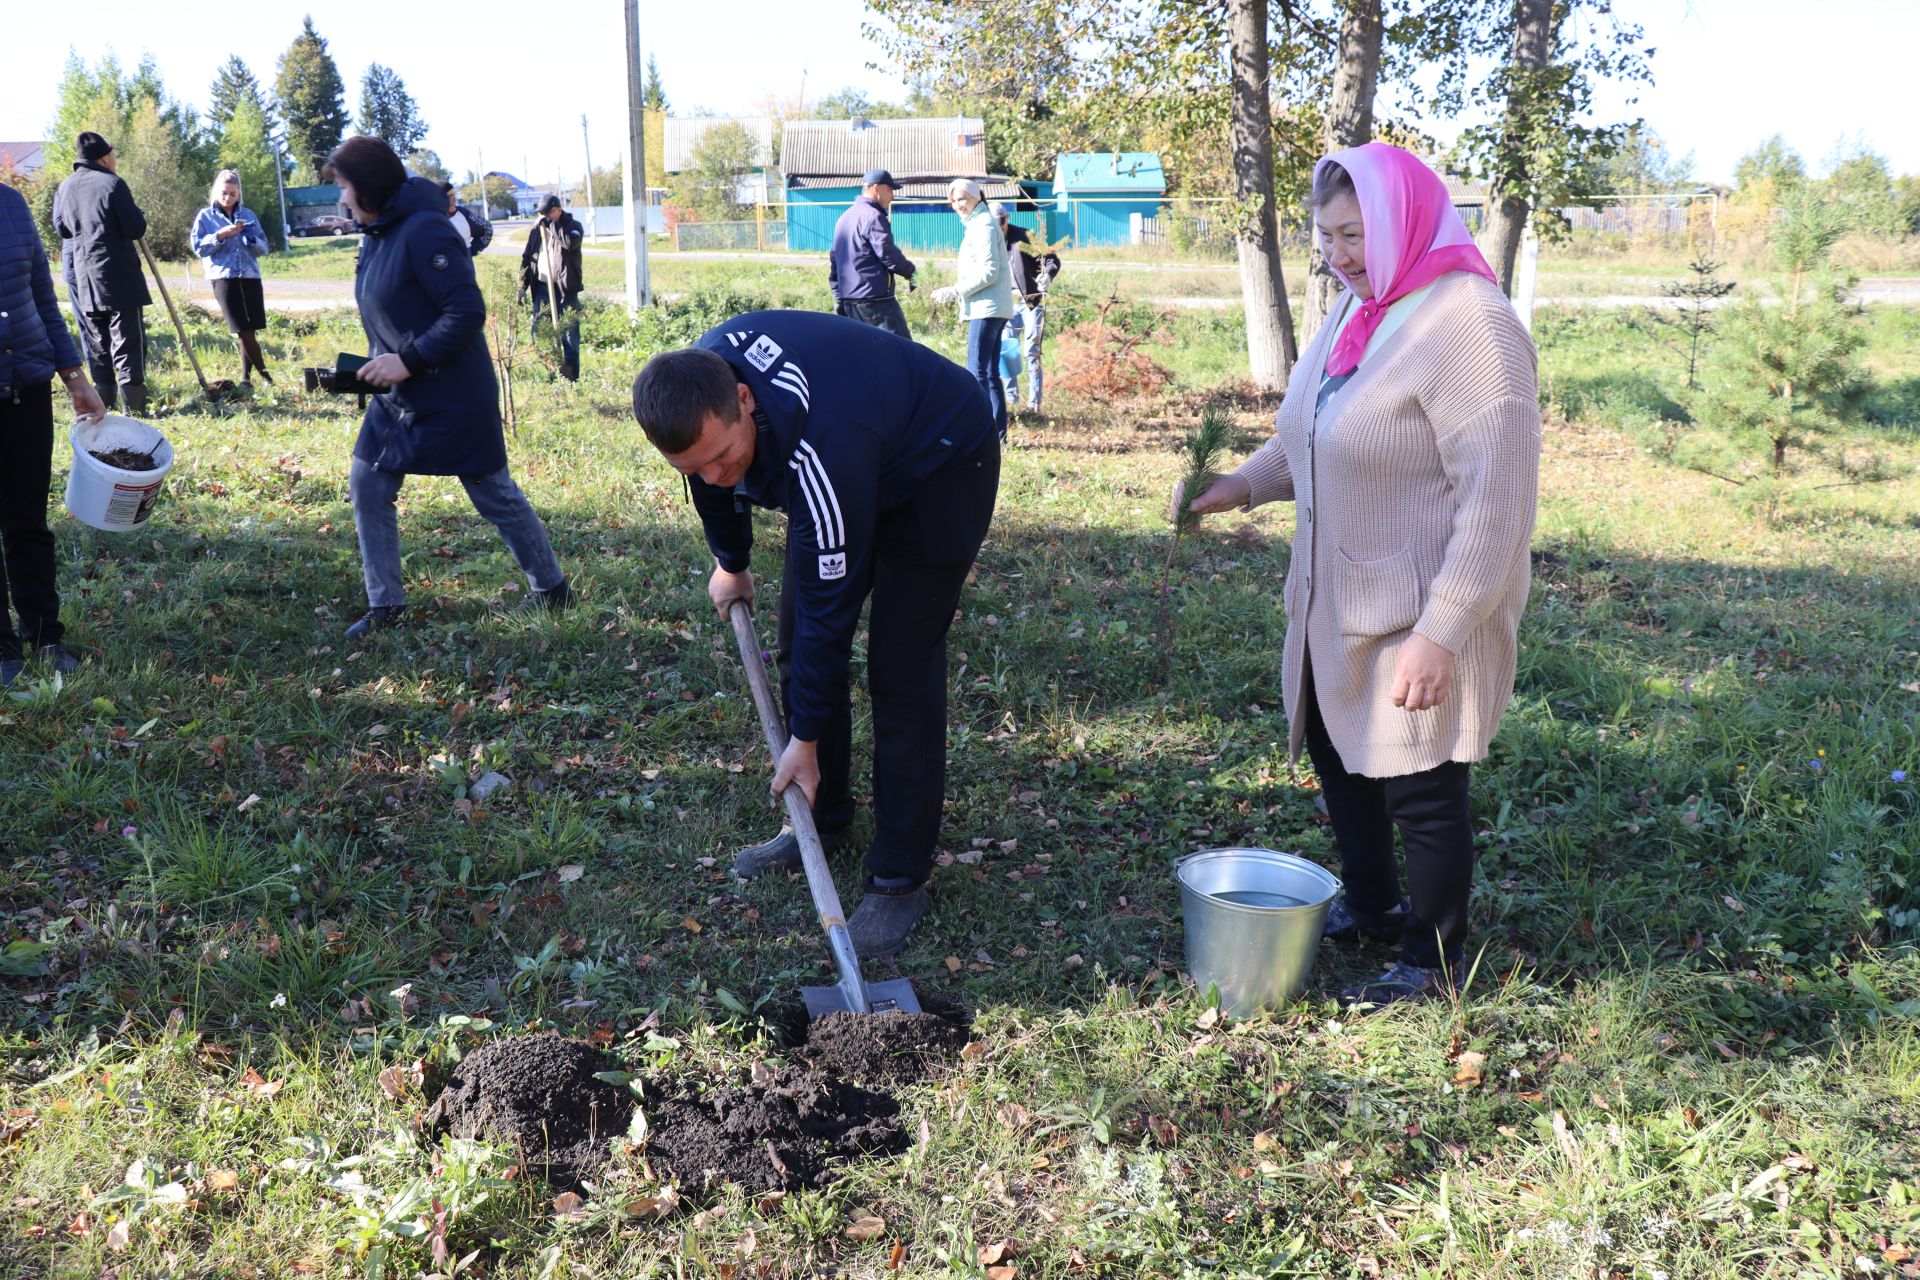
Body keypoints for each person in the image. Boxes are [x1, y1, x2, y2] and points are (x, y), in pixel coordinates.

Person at [1181, 142, 1541, 1007]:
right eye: (1326, 236)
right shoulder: (1361, 310)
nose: (1338, 255)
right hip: (1334, 597)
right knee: (1345, 761)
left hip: (1417, 604)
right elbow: (1312, 431)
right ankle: (1376, 909)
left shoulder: (1469, 325)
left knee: (1420, 783)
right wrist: (1241, 486)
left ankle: (1434, 956)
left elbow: (1498, 504)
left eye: (1354, 234)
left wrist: (1440, 633)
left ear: (1402, 221)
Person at [629, 309, 1001, 956]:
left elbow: (834, 613)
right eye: (694, 468)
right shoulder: (701, 390)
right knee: (797, 641)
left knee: (900, 664)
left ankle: (897, 878)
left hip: (940, 463)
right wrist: (732, 562)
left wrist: (800, 739)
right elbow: (711, 475)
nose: (718, 477)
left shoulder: (819, 443)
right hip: (858, 444)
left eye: (723, 457)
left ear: (744, 401)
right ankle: (822, 822)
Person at [323, 136, 572, 640]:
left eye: (345, 187)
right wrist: (373, 367)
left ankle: (552, 590)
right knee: (368, 482)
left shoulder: (426, 230)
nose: (342, 199)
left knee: (493, 493)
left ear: (368, 186)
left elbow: (466, 313)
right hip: (400, 396)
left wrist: (407, 360)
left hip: (453, 392)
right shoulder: (378, 233)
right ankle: (386, 606)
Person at [1, 181, 108, 688]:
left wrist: (75, 376)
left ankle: (45, 633)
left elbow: (42, 297)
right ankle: (2, 647)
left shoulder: (12, 204)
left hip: (26, 383)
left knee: (27, 521)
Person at [54, 131, 151, 415]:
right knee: (126, 339)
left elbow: (62, 228)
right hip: (117, 274)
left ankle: (104, 403)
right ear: (105, 157)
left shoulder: (65, 187)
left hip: (84, 276)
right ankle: (133, 408)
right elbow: (135, 228)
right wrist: (137, 213)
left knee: (96, 339)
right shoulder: (112, 183)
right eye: (114, 155)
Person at [930, 179, 1015, 440]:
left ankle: (981, 434)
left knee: (975, 371)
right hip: (989, 306)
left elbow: (989, 271)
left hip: (986, 308)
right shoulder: (979, 224)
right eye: (953, 201)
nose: (958, 206)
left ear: (976, 197)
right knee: (989, 372)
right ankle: (997, 434)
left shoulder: (984, 225)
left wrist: (956, 290)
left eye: (962, 199)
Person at [191, 170, 273, 387]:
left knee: (250, 329)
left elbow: (264, 247)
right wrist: (220, 235)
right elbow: (198, 248)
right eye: (224, 193)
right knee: (241, 328)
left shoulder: (248, 215)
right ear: (216, 192)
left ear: (239, 194)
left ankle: (246, 380)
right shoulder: (205, 217)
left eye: (233, 194)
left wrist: (249, 238)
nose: (228, 198)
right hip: (223, 278)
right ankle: (266, 376)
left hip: (250, 276)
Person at [828, 168, 916, 339]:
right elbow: (888, 254)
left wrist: (839, 298)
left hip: (851, 302)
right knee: (902, 352)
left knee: (865, 355)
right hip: (876, 303)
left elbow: (835, 262)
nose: (892, 196)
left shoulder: (845, 218)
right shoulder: (873, 216)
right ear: (876, 189)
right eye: (890, 190)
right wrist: (913, 273)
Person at [518, 194, 583, 381]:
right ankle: (551, 375)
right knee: (540, 334)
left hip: (565, 290)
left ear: (558, 210)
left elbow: (569, 243)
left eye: (547, 213)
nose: (543, 217)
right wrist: (521, 286)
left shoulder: (573, 227)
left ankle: (570, 380)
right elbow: (527, 259)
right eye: (541, 214)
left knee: (570, 338)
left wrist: (552, 225)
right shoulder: (536, 232)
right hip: (542, 289)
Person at [992, 201, 1047, 413]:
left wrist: (1046, 275)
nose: (1001, 226)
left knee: (1031, 352)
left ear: (1007, 219)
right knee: (1007, 352)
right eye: (996, 223)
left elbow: (1048, 258)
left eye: (1003, 221)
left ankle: (1034, 405)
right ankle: (1012, 401)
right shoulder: (988, 239)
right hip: (1005, 303)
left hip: (1030, 302)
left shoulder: (1023, 237)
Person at [438, 180, 493, 258]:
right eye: (449, 196)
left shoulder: (463, 214)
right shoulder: (429, 218)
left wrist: (470, 253)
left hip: (464, 268)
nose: (454, 199)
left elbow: (487, 229)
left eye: (454, 195)